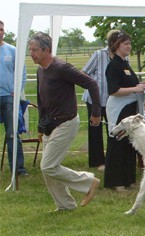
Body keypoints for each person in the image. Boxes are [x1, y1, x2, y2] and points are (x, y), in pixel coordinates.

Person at [28, 32, 101, 211]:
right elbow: (41, 99)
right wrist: (41, 126)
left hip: (66, 123)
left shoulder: (62, 68)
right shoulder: (40, 70)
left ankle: (89, 181)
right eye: (30, 49)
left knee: (48, 166)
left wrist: (96, 113)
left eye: (35, 49)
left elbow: (92, 84)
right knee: (49, 169)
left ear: (46, 50)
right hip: (49, 125)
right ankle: (65, 205)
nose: (31, 53)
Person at [104, 30, 145, 192]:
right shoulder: (113, 65)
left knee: (129, 143)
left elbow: (130, 84)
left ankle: (128, 179)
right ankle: (116, 181)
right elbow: (113, 90)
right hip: (119, 108)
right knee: (118, 142)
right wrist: (135, 88)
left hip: (130, 107)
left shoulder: (125, 63)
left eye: (129, 43)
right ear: (116, 46)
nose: (129, 46)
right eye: (125, 44)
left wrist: (140, 86)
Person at [81, 30, 119, 171]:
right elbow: (84, 73)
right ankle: (97, 161)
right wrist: (94, 84)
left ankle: (111, 159)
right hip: (94, 99)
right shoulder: (98, 55)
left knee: (112, 128)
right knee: (95, 130)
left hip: (112, 100)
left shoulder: (123, 58)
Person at [0, 20, 29, 177]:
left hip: (8, 99)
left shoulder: (12, 50)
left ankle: (18, 169)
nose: (0, 31)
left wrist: (17, 90)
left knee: (12, 134)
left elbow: (21, 72)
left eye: (2, 29)